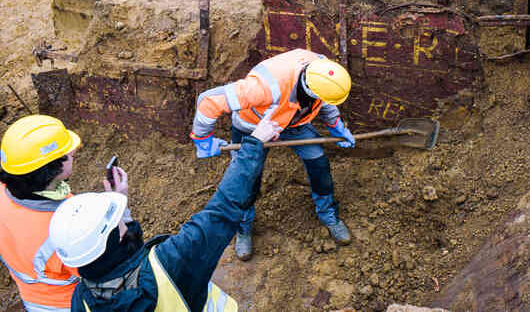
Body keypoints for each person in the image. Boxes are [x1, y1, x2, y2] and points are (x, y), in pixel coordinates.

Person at [48, 113, 283, 311]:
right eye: (116, 219)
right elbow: (223, 209)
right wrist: (254, 144)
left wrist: (123, 209)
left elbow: (125, 262)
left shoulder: (82, 300)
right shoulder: (172, 262)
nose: (121, 217)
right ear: (114, 238)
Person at [189, 48, 356, 261]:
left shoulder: (323, 71)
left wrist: (335, 125)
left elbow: (325, 99)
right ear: (310, 90)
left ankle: (328, 215)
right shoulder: (264, 88)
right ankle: (243, 227)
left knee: (319, 163)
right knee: (246, 178)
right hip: (254, 128)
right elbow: (208, 101)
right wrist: (202, 139)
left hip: (295, 122)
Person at [0, 115, 82, 311]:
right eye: (68, 152)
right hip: (69, 304)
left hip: (31, 299)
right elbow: (104, 272)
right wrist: (120, 209)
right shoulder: (66, 224)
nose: (73, 151)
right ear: (52, 168)